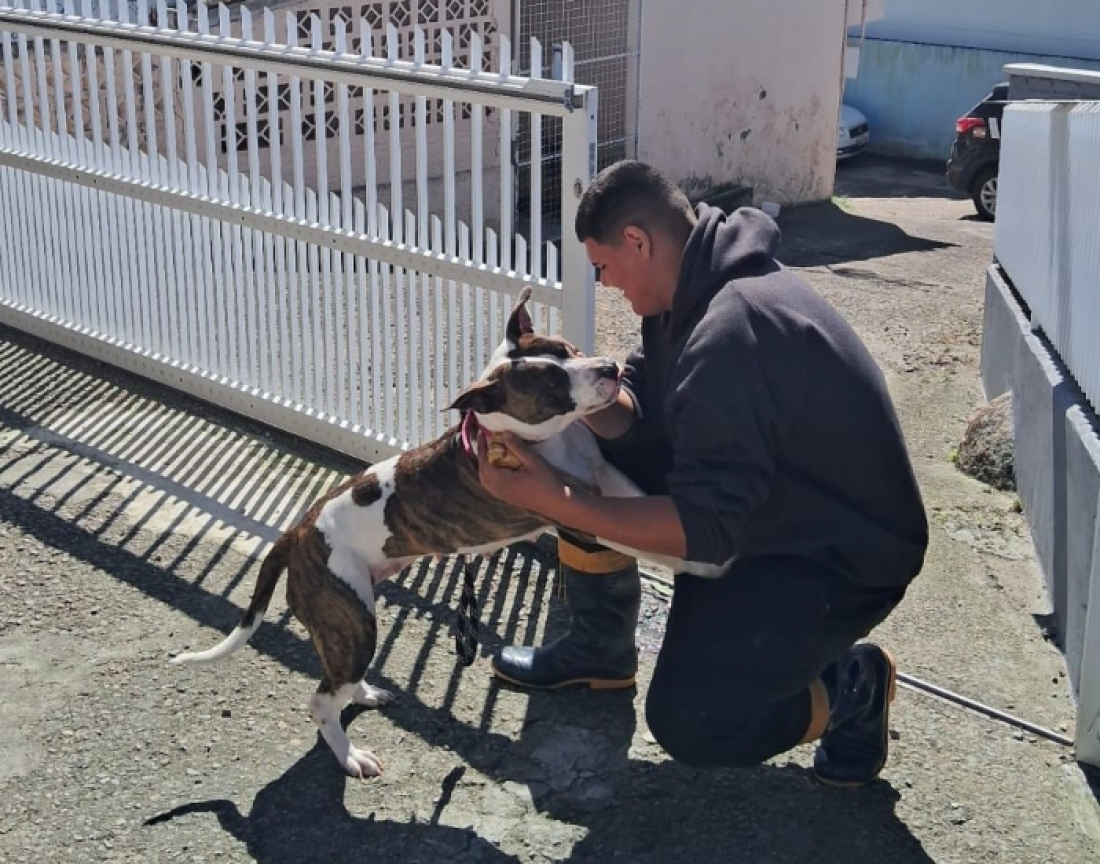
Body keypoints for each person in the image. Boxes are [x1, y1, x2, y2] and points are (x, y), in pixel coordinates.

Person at [476, 160, 928, 787]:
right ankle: (599, 649)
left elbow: (708, 529)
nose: (604, 285)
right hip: (767, 504)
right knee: (574, 451)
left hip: (838, 556)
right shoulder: (688, 292)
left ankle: (853, 686)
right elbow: (648, 414)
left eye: (603, 267)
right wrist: (583, 397)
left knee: (695, 721)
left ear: (638, 241)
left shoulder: (731, 331)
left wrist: (555, 499)